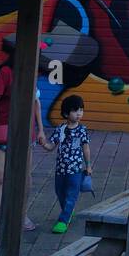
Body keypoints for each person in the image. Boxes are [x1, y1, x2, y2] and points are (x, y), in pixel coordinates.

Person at [0, 37, 50, 245]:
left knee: (25, 177)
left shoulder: (32, 73)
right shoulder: (5, 72)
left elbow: (36, 102)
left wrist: (41, 130)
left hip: (25, 131)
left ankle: (21, 214)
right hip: (4, 128)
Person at [47, 94, 91, 234]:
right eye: (75, 110)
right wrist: (43, 143)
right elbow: (51, 146)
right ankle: (68, 211)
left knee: (72, 194)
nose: (79, 113)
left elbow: (86, 148)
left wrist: (88, 165)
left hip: (76, 169)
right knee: (60, 193)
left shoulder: (82, 130)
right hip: (60, 170)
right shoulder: (60, 129)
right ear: (66, 113)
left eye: (81, 110)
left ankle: (63, 220)